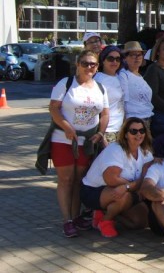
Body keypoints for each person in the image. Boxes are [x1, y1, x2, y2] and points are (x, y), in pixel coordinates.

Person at [48, 50, 110, 237]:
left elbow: (105, 114)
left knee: (78, 180)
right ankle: (67, 220)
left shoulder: (100, 88)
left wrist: (100, 132)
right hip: (64, 140)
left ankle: (75, 217)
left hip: (87, 141)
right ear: (78, 64)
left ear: (97, 67)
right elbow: (53, 108)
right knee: (66, 180)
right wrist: (66, 126)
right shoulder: (65, 84)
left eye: (93, 64)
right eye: (85, 63)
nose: (89, 67)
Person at [80, 118, 154, 238]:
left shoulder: (146, 153)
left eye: (141, 131)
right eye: (133, 131)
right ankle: (105, 221)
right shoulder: (116, 149)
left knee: (140, 221)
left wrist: (129, 186)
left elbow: (146, 178)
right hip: (93, 190)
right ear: (125, 134)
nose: (138, 134)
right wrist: (131, 186)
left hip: (124, 190)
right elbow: (111, 179)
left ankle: (106, 212)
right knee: (124, 196)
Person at [118, 41, 154, 128]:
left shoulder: (140, 76)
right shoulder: (123, 74)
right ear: (124, 58)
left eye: (139, 54)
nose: (137, 58)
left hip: (147, 119)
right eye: (132, 55)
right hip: (133, 121)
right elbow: (123, 101)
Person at [94, 46, 125, 143]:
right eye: (110, 59)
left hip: (119, 129)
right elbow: (95, 109)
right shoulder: (98, 79)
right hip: (107, 131)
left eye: (118, 59)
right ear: (103, 60)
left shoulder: (119, 77)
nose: (114, 62)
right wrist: (101, 133)